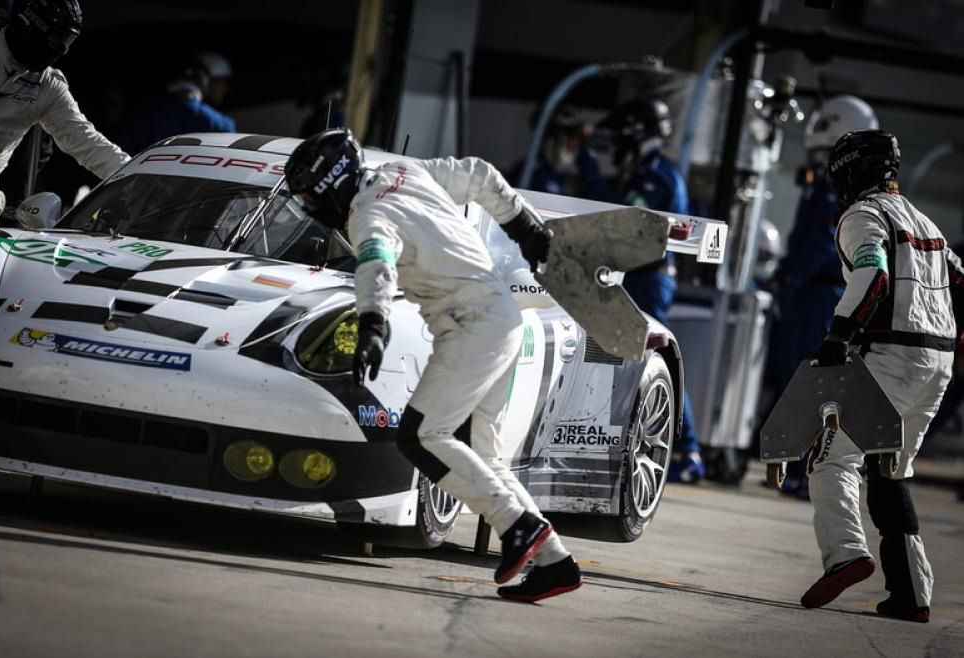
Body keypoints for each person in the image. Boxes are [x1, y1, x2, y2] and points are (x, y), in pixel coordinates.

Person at [285, 128, 582, 603]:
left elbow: (376, 264)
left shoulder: (368, 215)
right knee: (481, 456)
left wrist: (372, 325)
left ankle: (521, 527)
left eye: (308, 199)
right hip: (503, 317)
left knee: (421, 435)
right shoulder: (405, 171)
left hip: (470, 326)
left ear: (327, 190)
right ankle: (556, 564)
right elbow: (480, 175)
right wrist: (526, 229)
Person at [800, 129, 963, 623]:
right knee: (892, 473)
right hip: (939, 364)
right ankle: (911, 594)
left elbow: (873, 273)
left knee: (829, 459)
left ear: (850, 172)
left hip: (890, 356)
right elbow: (959, 279)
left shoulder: (862, 215)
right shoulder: (927, 224)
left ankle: (847, 553)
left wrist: (837, 337)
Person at [769, 95, 879, 500]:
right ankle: (803, 468)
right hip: (810, 292)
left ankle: (814, 471)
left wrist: (791, 276)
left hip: (823, 294)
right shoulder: (830, 185)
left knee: (818, 384)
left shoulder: (840, 191)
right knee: (802, 380)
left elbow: (820, 243)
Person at [603, 97, 704, 483]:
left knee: (653, 358)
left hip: (650, 277)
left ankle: (687, 449)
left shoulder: (658, 175)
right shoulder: (644, 170)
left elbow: (642, 226)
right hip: (639, 275)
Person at [0, 0, 129, 231]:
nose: (61, 48)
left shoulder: (48, 87)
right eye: (57, 37)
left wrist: (136, 175)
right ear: (29, 22)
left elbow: (88, 143)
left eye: (67, 40)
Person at [117, 56, 235, 155]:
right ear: (204, 78)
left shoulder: (142, 114)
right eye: (221, 81)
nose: (225, 89)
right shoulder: (219, 124)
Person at [519, 107, 613, 201]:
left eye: (578, 139)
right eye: (568, 136)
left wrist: (592, 177)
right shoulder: (531, 173)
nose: (573, 144)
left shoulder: (562, 177)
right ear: (551, 137)